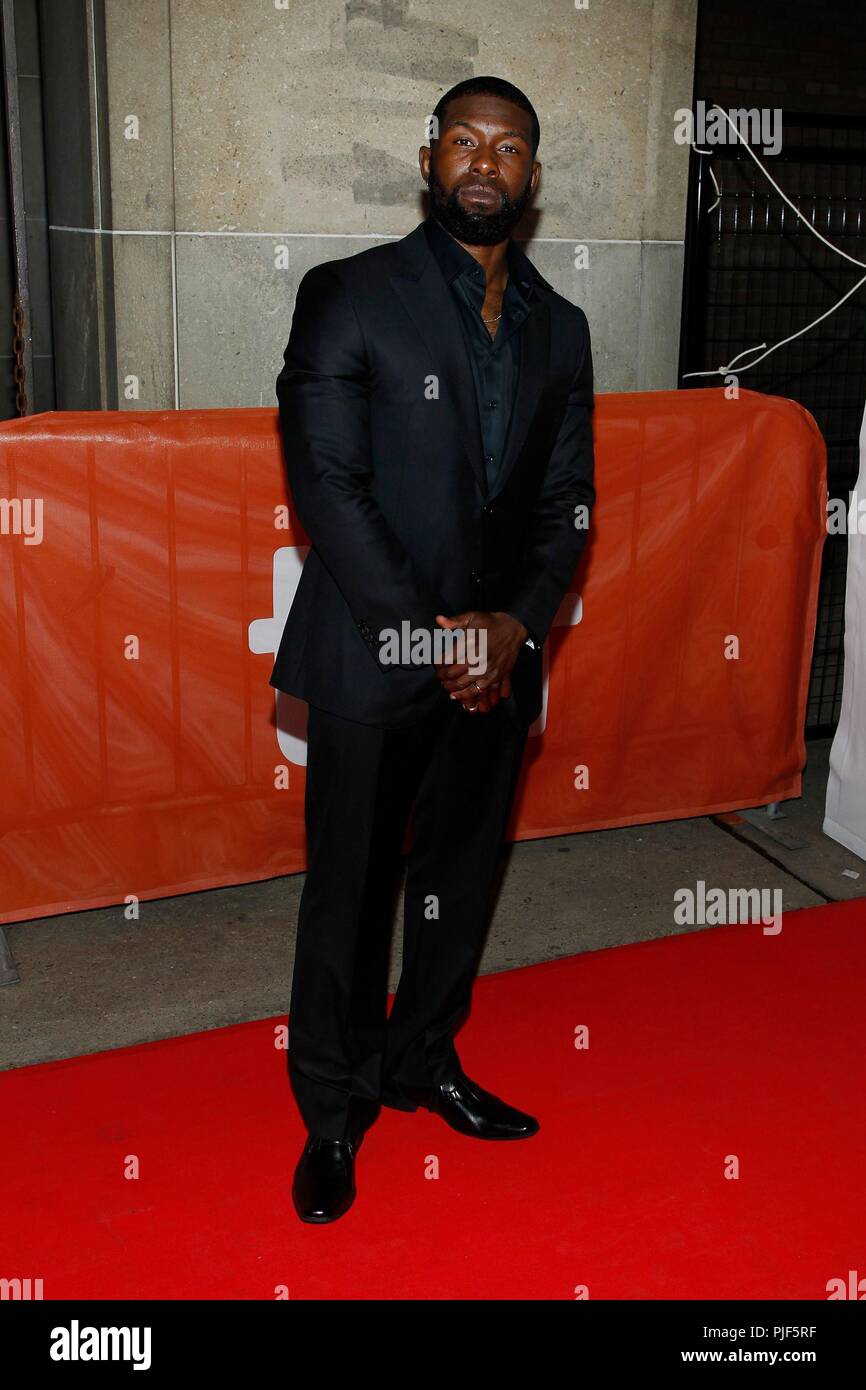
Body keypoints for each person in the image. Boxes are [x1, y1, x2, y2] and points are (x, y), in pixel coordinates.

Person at [270, 75, 596, 1222]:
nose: (483, 162)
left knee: (456, 883)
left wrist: (511, 626)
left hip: (496, 666)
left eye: (507, 148)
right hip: (372, 654)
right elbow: (328, 487)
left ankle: (421, 1061)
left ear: (532, 178)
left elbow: (568, 504)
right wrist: (433, 630)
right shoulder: (348, 297)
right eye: (463, 139)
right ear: (428, 159)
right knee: (351, 895)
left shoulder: (562, 328)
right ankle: (334, 1108)